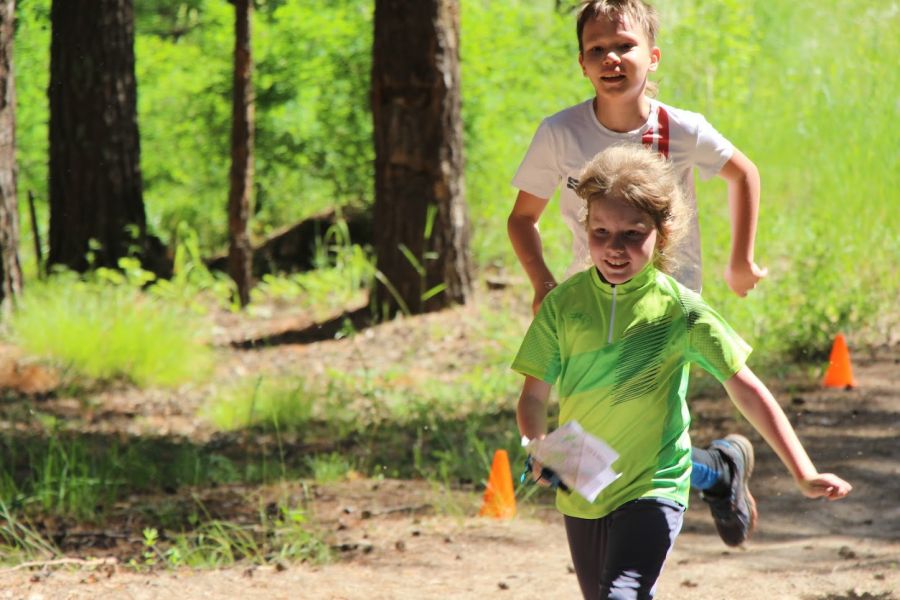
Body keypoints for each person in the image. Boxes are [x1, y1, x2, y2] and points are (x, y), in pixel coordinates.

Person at [512, 145, 851, 600]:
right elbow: (533, 396)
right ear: (585, 226)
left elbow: (745, 387)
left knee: (623, 594)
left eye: (633, 234)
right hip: (583, 486)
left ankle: (715, 473)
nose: (615, 247)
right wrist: (536, 445)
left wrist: (803, 472)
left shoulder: (680, 310)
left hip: (655, 484)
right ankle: (721, 471)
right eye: (601, 231)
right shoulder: (563, 306)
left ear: (663, 232)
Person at [507, 0, 766, 547]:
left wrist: (739, 259)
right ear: (581, 63)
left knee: (635, 429)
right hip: (589, 302)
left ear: (653, 56)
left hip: (665, 304)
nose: (611, 59)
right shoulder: (560, 134)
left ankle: (647, 523)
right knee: (601, 439)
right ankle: (716, 473)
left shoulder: (680, 128)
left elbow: (744, 173)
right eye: (597, 49)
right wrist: (543, 283)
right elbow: (521, 219)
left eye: (624, 46)